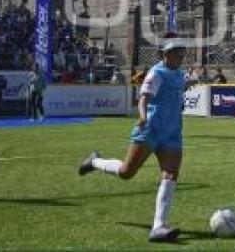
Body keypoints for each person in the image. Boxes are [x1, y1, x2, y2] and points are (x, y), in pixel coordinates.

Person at [77, 40, 195, 242]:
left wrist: (187, 84)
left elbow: (173, 91)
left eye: (182, 53)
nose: (180, 57)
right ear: (164, 55)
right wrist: (142, 116)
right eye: (176, 53)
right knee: (126, 172)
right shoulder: (156, 73)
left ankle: (159, 227)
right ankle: (95, 162)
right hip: (151, 129)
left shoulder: (178, 73)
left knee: (171, 174)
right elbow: (143, 99)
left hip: (172, 132)